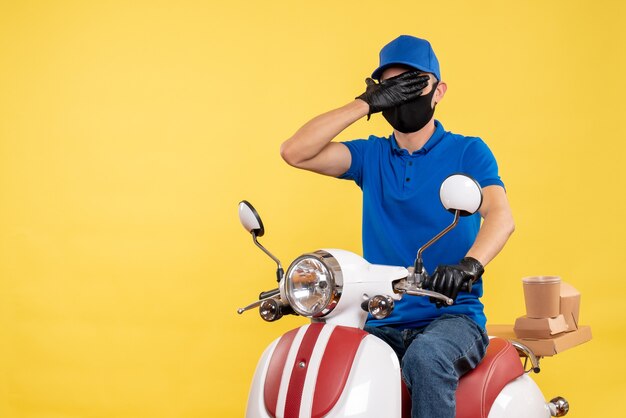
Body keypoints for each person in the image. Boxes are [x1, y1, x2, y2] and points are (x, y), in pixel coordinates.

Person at [280, 35, 514, 418]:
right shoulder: (369, 155)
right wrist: (365, 104)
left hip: (453, 318)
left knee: (426, 357)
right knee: (331, 362)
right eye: (390, 87)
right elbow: (294, 151)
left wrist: (469, 265)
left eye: (411, 83)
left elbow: (501, 216)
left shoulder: (467, 151)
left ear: (438, 91)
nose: (401, 95)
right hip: (382, 316)